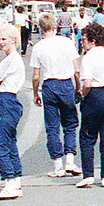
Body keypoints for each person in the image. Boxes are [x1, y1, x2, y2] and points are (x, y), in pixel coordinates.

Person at [29, 12, 81, 178]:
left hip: (49, 86)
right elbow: (77, 70)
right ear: (55, 26)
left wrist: (36, 92)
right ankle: (70, 161)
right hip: (66, 84)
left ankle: (57, 165)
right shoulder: (67, 42)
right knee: (70, 124)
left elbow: (36, 75)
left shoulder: (38, 47)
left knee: (52, 126)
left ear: (40, 28)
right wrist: (78, 88)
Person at [75, 20, 104, 188]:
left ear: (92, 40)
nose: (82, 42)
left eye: (84, 39)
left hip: (94, 96)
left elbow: (87, 83)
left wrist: (81, 94)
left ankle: (88, 174)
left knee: (87, 136)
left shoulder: (88, 57)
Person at [0, 31, 26, 200]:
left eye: (4, 39)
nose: (1, 42)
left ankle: (9, 180)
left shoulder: (9, 60)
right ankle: (15, 180)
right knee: (10, 142)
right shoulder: (15, 59)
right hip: (11, 101)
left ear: (14, 40)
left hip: (5, 100)